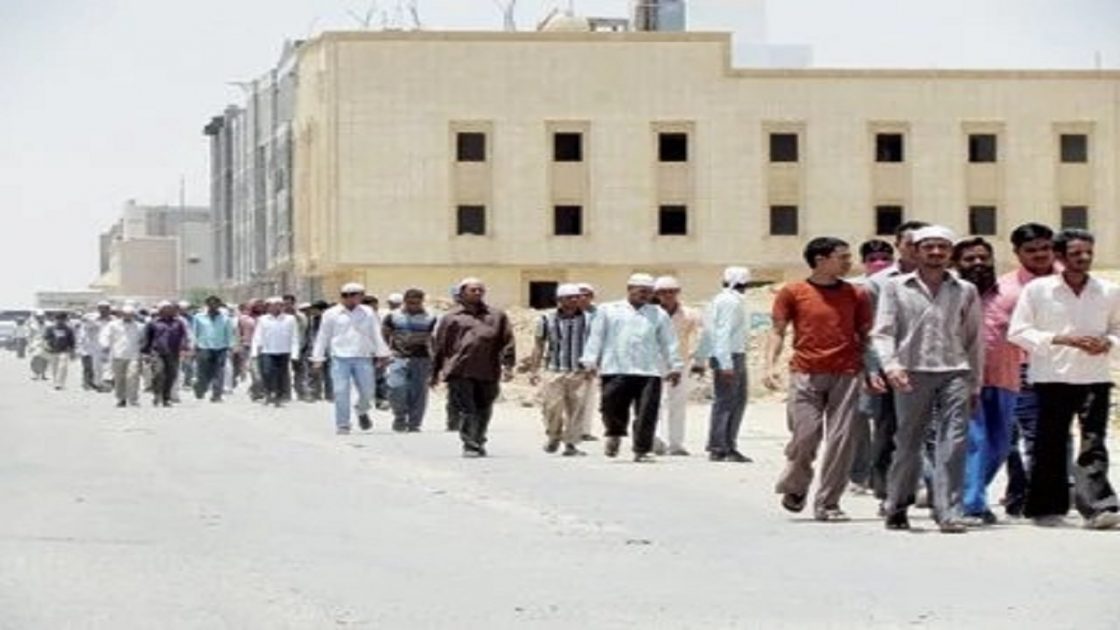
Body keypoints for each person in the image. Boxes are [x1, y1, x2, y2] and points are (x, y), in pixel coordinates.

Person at [872, 225, 983, 533]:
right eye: (929, 247)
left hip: (955, 370)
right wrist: (891, 366)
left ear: (950, 252)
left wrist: (975, 382)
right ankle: (898, 503)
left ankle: (948, 510)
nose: (936, 253)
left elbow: (974, 338)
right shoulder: (896, 288)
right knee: (908, 442)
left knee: (954, 440)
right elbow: (883, 332)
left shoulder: (965, 290)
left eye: (942, 247)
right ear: (916, 251)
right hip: (911, 371)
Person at [1008, 228, 1120, 530]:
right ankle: (1046, 506)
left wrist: (1107, 342)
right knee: (1050, 442)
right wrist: (1061, 339)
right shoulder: (1038, 290)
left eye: (1088, 253)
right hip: (1051, 377)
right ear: (1059, 256)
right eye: (1075, 253)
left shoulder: (1108, 291)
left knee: (1093, 441)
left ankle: (1098, 506)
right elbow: (1018, 331)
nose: (1083, 258)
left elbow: (1118, 328)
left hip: (1094, 376)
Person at [767, 237, 872, 521]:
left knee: (841, 440)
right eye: (843, 257)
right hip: (806, 372)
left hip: (847, 374)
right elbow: (777, 331)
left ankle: (828, 503)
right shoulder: (793, 292)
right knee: (805, 436)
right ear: (820, 260)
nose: (849, 262)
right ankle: (796, 483)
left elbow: (866, 335)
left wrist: (872, 370)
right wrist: (769, 365)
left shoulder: (857, 294)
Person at [580, 273, 682, 462]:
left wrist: (675, 366)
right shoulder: (609, 310)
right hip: (615, 368)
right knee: (611, 408)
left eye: (649, 292)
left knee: (647, 412)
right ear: (629, 289)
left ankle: (642, 450)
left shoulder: (658, 314)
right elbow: (596, 336)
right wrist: (590, 361)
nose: (645, 295)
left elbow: (669, 341)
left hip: (649, 370)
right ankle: (614, 433)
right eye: (641, 291)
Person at [951, 237, 1016, 526]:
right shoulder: (950, 295)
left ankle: (965, 492)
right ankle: (972, 504)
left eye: (983, 258)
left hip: (1005, 378)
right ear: (956, 264)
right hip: (963, 380)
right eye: (969, 259)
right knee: (974, 442)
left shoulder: (1010, 295)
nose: (978, 264)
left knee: (1000, 446)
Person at [864, 220, 929, 505]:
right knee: (889, 429)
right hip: (892, 365)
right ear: (898, 246)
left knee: (933, 430)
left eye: (922, 244)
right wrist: (872, 369)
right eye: (910, 244)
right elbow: (869, 331)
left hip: (932, 365)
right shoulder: (878, 284)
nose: (916, 249)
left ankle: (927, 484)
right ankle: (886, 490)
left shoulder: (946, 280)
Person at [999, 223, 1059, 517]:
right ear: (1017, 253)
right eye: (1031, 250)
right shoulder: (1006, 289)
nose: (1040, 255)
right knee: (1023, 436)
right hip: (1023, 369)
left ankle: (1053, 490)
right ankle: (1023, 492)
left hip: (1065, 370)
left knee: (1058, 435)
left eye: (1045, 248)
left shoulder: (1071, 281)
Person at [431, 278, 516, 457]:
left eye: (480, 290)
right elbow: (440, 346)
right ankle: (469, 444)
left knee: (484, 407)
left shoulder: (497, 316)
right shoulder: (451, 318)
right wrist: (435, 372)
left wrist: (508, 365)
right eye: (473, 290)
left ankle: (479, 439)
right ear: (462, 293)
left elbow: (507, 341)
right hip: (459, 369)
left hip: (488, 369)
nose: (477, 293)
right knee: (466, 408)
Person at [849, 238, 896, 494]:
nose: (879, 263)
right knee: (859, 416)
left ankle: (882, 474)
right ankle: (859, 474)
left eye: (885, 258)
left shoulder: (899, 283)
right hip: (863, 358)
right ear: (863, 262)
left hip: (892, 358)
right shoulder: (856, 288)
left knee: (886, 420)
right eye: (872, 259)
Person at [311, 283, 391, 434]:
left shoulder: (368, 312)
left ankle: (361, 410)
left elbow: (376, 333)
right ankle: (343, 424)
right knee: (340, 391)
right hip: (339, 357)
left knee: (368, 391)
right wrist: (317, 358)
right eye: (359, 295)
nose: (361, 298)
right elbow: (323, 336)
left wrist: (382, 353)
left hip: (363, 356)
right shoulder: (331, 313)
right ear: (348, 296)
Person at [528, 283, 592, 457]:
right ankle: (553, 435)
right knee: (551, 407)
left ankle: (571, 444)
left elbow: (595, 344)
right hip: (554, 370)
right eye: (570, 297)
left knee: (576, 409)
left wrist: (593, 367)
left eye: (577, 297)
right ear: (559, 300)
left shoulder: (589, 319)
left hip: (579, 371)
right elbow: (539, 345)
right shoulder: (545, 319)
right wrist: (534, 370)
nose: (575, 300)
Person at [652, 276, 704, 457]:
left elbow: (699, 336)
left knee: (678, 403)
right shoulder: (650, 314)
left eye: (671, 292)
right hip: (654, 362)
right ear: (656, 294)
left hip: (680, 362)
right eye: (663, 292)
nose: (667, 295)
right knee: (654, 401)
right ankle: (655, 440)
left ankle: (676, 444)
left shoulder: (689, 314)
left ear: (678, 292)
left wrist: (698, 360)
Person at [704, 266, 752, 463]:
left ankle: (725, 445)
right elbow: (722, 332)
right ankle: (721, 447)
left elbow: (710, 331)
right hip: (730, 355)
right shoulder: (730, 302)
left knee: (734, 401)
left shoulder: (724, 300)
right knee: (728, 402)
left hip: (732, 354)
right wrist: (725, 363)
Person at [382, 288, 437, 432]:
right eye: (410, 302)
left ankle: (414, 423)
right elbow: (385, 335)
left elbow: (434, 339)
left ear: (422, 302)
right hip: (398, 357)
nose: (413, 306)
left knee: (419, 392)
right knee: (396, 388)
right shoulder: (393, 316)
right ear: (405, 301)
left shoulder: (430, 317)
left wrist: (436, 360)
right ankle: (399, 417)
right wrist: (386, 353)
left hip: (421, 358)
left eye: (417, 303)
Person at [251, 297, 301, 407]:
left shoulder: (290, 319)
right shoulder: (263, 319)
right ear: (268, 307)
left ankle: (278, 396)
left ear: (282, 306)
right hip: (267, 351)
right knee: (267, 372)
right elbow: (257, 336)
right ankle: (268, 392)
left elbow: (295, 337)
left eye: (278, 305)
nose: (275, 307)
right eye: (272, 305)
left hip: (284, 351)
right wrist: (255, 351)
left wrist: (295, 354)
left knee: (281, 375)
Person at [142, 301, 190, 407]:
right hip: (157, 352)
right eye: (166, 308)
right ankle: (157, 394)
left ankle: (166, 398)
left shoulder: (178, 323)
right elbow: (147, 339)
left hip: (173, 352)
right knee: (158, 373)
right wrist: (145, 353)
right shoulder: (153, 323)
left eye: (170, 308)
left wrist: (184, 349)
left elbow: (183, 336)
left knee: (171, 375)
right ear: (160, 310)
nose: (169, 310)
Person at [191, 295, 235, 403]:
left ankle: (216, 394)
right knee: (204, 371)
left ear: (219, 305)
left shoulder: (225, 318)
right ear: (207, 305)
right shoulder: (198, 317)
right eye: (210, 303)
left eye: (215, 303)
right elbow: (194, 333)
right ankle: (200, 387)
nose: (213, 305)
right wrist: (193, 346)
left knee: (219, 372)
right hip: (203, 347)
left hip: (220, 348)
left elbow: (229, 334)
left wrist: (231, 347)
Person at [101, 305, 144, 407]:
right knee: (119, 378)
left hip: (134, 355)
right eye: (126, 314)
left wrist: (144, 351)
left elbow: (143, 339)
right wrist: (105, 345)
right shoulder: (113, 325)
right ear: (122, 314)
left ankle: (133, 399)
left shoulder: (139, 326)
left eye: (130, 314)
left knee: (133, 376)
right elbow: (105, 335)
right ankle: (121, 399)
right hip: (118, 355)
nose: (128, 316)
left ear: (133, 315)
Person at [575, 282, 600, 443]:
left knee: (589, 397)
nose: (583, 297)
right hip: (571, 361)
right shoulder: (569, 313)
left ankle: (585, 430)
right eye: (580, 294)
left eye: (587, 294)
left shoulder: (599, 314)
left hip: (592, 362)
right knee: (573, 397)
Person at [305, 300, 334, 402]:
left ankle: (330, 395)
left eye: (315, 309)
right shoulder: (312, 320)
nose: (312, 311)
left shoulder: (330, 321)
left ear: (323, 310)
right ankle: (314, 393)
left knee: (329, 374)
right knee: (313, 373)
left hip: (329, 350)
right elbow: (310, 334)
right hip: (315, 350)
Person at [283, 294, 310, 402]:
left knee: (300, 371)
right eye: (285, 304)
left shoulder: (301, 317)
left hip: (300, 347)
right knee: (284, 371)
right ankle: (286, 393)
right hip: (284, 348)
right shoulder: (281, 317)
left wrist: (304, 346)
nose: (287, 306)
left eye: (289, 303)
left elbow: (305, 331)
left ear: (294, 303)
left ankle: (301, 393)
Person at [43, 312, 77, 391]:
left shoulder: (68, 329)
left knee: (63, 367)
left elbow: (72, 341)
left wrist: (73, 352)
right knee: (54, 368)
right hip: (53, 351)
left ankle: (60, 383)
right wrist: (46, 346)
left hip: (64, 351)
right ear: (55, 319)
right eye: (58, 319)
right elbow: (45, 338)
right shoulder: (50, 328)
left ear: (65, 320)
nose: (60, 321)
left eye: (62, 319)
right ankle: (55, 383)